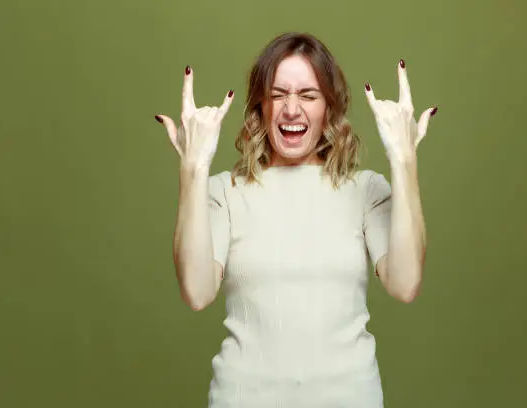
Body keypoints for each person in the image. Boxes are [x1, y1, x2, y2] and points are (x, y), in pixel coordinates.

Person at [155, 32, 437, 408]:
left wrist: (404, 160)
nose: (291, 109)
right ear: (261, 106)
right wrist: (193, 167)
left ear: (329, 108)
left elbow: (405, 284)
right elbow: (196, 291)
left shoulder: (365, 190)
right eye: (278, 95)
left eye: (308, 95)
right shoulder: (226, 191)